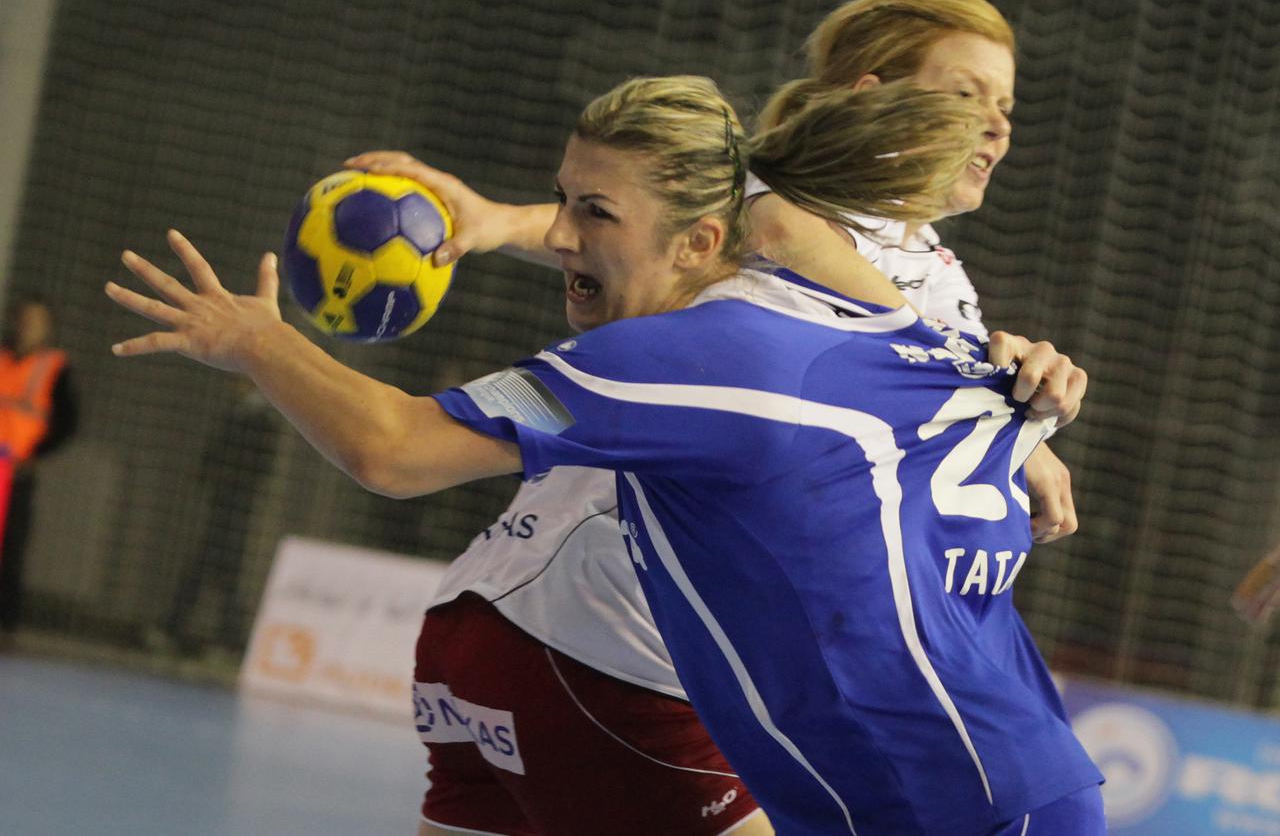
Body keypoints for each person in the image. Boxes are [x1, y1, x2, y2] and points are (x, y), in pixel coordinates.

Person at [106, 74, 1102, 834]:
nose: (562, 233)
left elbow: (393, 450)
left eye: (592, 213)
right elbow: (766, 231)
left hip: (932, 789)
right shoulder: (881, 308)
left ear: (701, 238)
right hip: (976, 767)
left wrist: (251, 340)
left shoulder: (698, 357)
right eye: (563, 201)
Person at [339, 0, 1083, 833]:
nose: (995, 125)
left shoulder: (941, 281)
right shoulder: (766, 209)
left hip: (528, 628)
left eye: (1006, 105)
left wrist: (1022, 424)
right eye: (965, 96)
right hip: (610, 640)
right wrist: (499, 219)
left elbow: (921, 402)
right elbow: (655, 217)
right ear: (873, 96)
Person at [151, 376, 280, 658]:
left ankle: (217, 638)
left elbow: (254, 464)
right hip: (222, 501)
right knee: (215, 567)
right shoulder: (240, 412)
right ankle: (204, 634)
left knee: (220, 568)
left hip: (237, 504)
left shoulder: (262, 420)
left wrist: (223, 476)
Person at [0, 297, 78, 635]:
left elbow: (67, 422)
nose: (28, 327)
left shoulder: (54, 366)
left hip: (16, 470)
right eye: (25, 319)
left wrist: (35, 454)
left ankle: (6, 620)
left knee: (10, 544)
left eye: (37, 321)